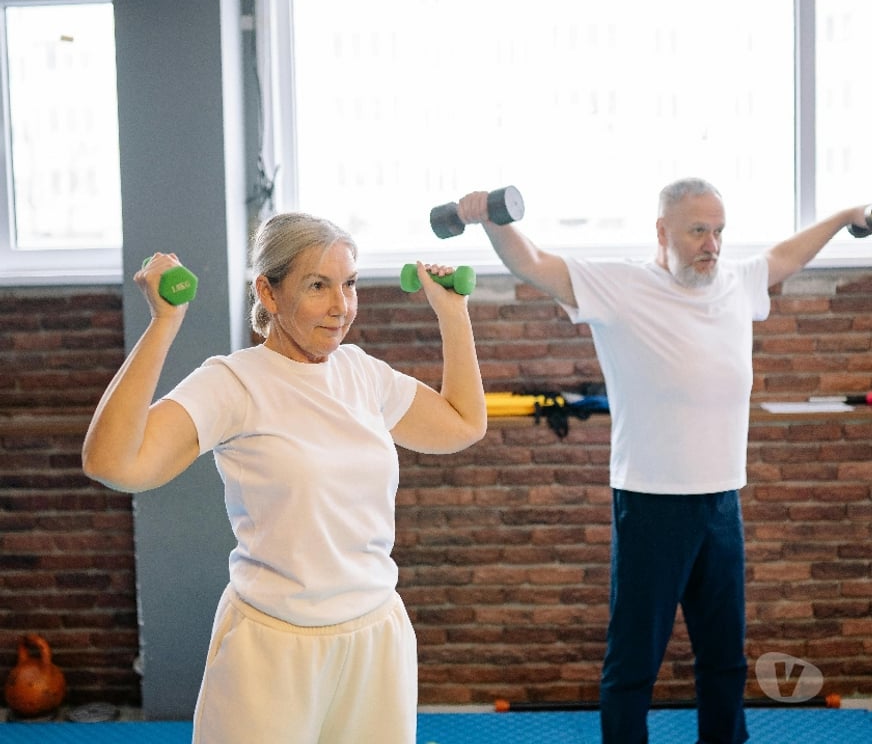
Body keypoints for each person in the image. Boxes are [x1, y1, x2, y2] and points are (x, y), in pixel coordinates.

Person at [455, 178, 871, 744]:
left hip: (722, 501)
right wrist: (490, 219)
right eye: (698, 230)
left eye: (719, 231)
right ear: (662, 232)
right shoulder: (620, 285)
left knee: (724, 657)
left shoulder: (735, 282)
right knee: (634, 662)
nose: (712, 245)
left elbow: (784, 256)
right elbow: (532, 263)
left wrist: (845, 213)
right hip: (650, 502)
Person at [81, 211, 487, 744]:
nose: (341, 307)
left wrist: (452, 312)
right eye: (318, 286)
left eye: (349, 284)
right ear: (267, 294)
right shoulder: (233, 383)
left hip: (376, 636)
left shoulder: (361, 372)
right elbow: (112, 462)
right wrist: (164, 323)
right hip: (273, 646)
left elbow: (462, 423)